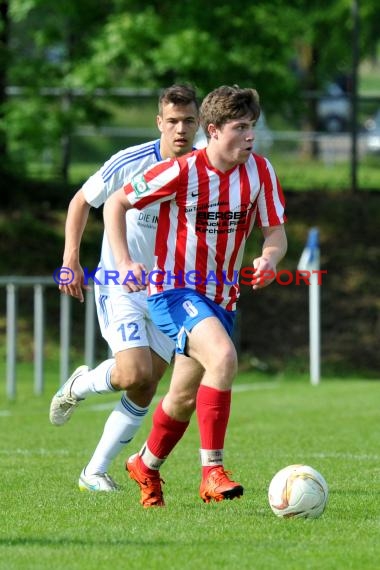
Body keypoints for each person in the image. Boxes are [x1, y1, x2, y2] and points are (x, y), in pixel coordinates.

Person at [103, 85, 288, 507]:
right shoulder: (182, 171)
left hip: (222, 300)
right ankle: (212, 472)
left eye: (252, 127)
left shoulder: (260, 172)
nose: (250, 137)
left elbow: (275, 231)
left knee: (183, 397)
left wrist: (270, 257)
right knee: (223, 359)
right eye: (240, 128)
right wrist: (125, 260)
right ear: (214, 130)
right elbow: (116, 203)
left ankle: (145, 465)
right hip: (174, 290)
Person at [49, 84, 204, 492]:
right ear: (159, 123)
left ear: (200, 123)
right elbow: (82, 201)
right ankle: (78, 386)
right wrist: (70, 259)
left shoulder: (206, 171)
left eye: (189, 121)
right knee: (133, 371)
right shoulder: (131, 161)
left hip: (170, 291)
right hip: (120, 283)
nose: (180, 129)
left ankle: (94, 472)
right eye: (172, 121)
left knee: (146, 383)